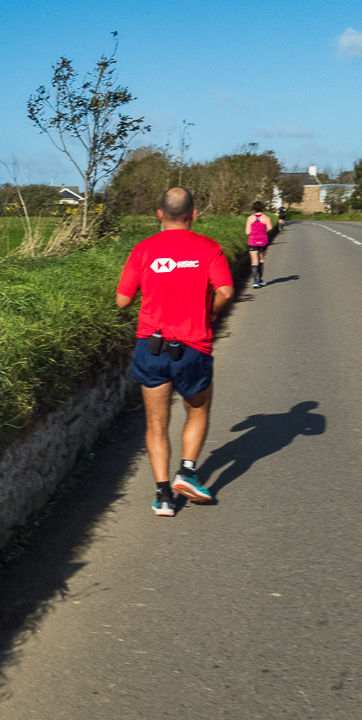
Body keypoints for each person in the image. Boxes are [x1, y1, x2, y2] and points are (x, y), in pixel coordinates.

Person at [115, 187, 235, 516]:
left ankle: (163, 495)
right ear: (193, 215)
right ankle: (187, 471)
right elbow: (225, 290)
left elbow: (123, 301)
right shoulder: (209, 248)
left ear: (159, 214)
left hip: (151, 347)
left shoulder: (143, 250)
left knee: (156, 424)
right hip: (193, 346)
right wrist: (209, 313)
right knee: (197, 410)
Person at [245, 201, 273, 289]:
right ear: (262, 208)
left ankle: (255, 281)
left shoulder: (250, 218)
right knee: (261, 260)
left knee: (254, 261)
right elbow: (270, 228)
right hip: (263, 241)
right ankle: (261, 279)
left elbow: (247, 232)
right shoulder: (266, 218)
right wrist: (264, 231)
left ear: (254, 208)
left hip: (252, 241)